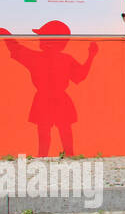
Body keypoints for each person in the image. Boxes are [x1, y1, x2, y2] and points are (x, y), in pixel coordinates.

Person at [0, 20, 97, 156]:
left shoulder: (35, 58)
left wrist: (5, 33)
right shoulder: (65, 59)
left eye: (42, 36)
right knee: (64, 130)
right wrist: (91, 56)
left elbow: (16, 48)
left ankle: (44, 157)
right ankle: (69, 156)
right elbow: (80, 76)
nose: (39, 38)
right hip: (59, 99)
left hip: (44, 99)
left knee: (46, 132)